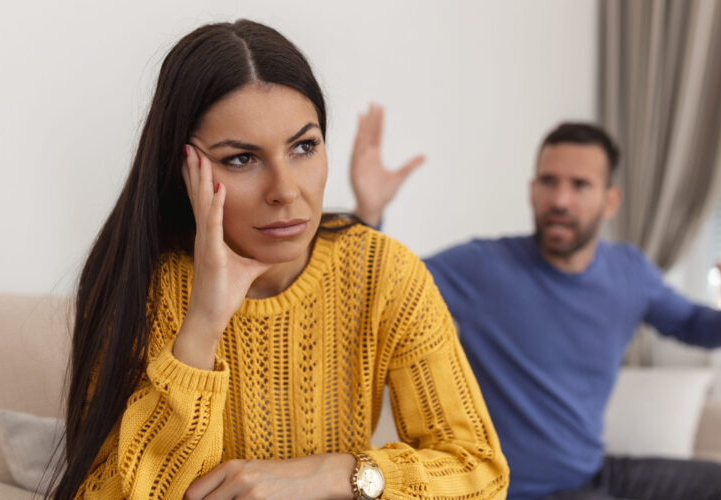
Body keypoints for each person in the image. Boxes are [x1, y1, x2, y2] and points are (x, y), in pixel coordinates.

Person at [52, 20, 509, 500]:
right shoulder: (143, 285)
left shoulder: (383, 272)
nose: (286, 191)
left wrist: (339, 475)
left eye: (304, 147)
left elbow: (479, 471)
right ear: (186, 166)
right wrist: (202, 328)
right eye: (242, 159)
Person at [350, 110, 721, 500]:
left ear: (609, 200)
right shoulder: (484, 267)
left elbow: (693, 325)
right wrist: (368, 216)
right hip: (522, 490)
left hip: (597, 471)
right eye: (549, 182)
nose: (560, 199)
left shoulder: (630, 272)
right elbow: (383, 288)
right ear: (532, 190)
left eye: (580, 185)